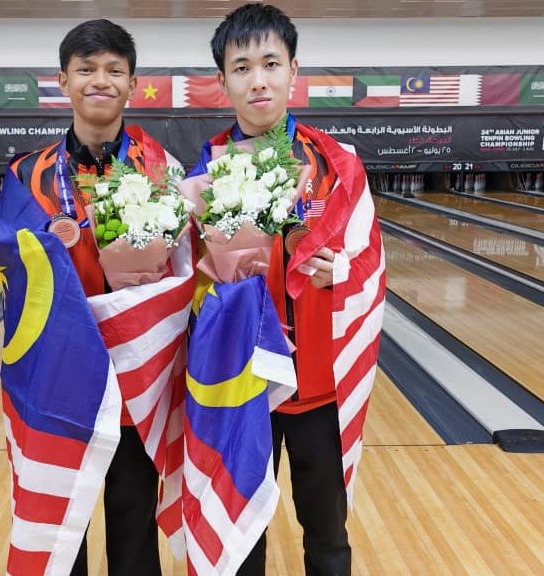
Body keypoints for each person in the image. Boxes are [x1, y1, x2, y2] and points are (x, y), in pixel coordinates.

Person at [187, 4, 386, 576]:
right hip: (241, 381)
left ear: (294, 71)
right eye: (242, 67)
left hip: (317, 384)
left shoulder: (336, 165)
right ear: (223, 80)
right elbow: (185, 281)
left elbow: (370, 262)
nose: (258, 80)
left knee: (327, 531)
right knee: (239, 535)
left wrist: (337, 271)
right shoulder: (204, 172)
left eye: (271, 64)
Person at [5, 19, 177, 576]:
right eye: (85, 69)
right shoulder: (26, 176)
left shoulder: (164, 171)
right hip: (59, 380)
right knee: (62, 530)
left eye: (113, 70)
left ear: (132, 84)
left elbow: (184, 275)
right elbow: (9, 273)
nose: (99, 80)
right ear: (63, 80)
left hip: (136, 381)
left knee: (134, 525)